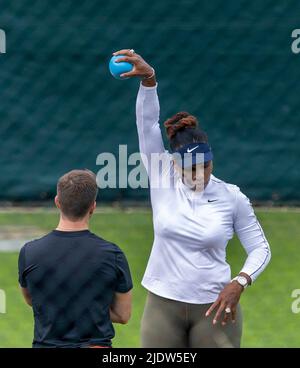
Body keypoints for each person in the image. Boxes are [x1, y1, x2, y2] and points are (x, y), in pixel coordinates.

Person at [113, 49, 271, 348]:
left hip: (215, 308)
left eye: (206, 167)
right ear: (175, 163)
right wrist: (149, 80)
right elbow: (147, 126)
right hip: (162, 305)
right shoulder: (162, 177)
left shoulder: (232, 197)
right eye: (191, 169)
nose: (201, 175)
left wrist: (240, 281)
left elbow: (260, 248)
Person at [18, 169, 133, 348]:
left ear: (57, 202)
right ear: (93, 206)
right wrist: (87, 309)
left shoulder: (29, 252)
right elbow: (123, 315)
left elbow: (31, 299)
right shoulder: (113, 255)